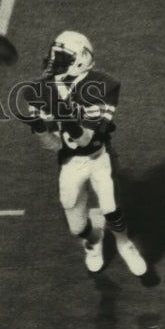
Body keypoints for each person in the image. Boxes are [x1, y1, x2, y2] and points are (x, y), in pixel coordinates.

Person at [18, 31, 147, 276]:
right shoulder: (43, 90)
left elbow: (86, 138)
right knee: (77, 227)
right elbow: (54, 145)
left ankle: (124, 243)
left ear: (81, 59)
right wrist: (37, 125)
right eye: (54, 56)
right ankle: (93, 240)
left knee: (111, 207)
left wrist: (63, 112)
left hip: (98, 157)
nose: (54, 62)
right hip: (70, 161)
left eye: (62, 57)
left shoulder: (102, 85)